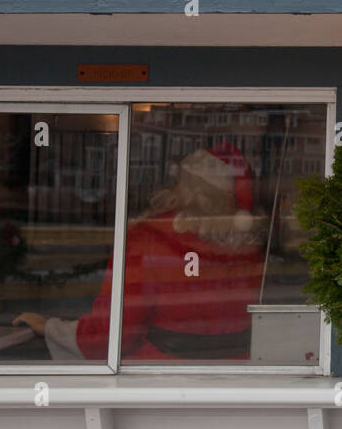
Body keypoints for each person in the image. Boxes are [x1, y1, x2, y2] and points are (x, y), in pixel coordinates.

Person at [14, 143, 265, 361]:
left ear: (185, 185)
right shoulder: (249, 247)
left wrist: (52, 329)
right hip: (239, 371)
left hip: (162, 374)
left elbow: (112, 334)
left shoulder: (148, 238)